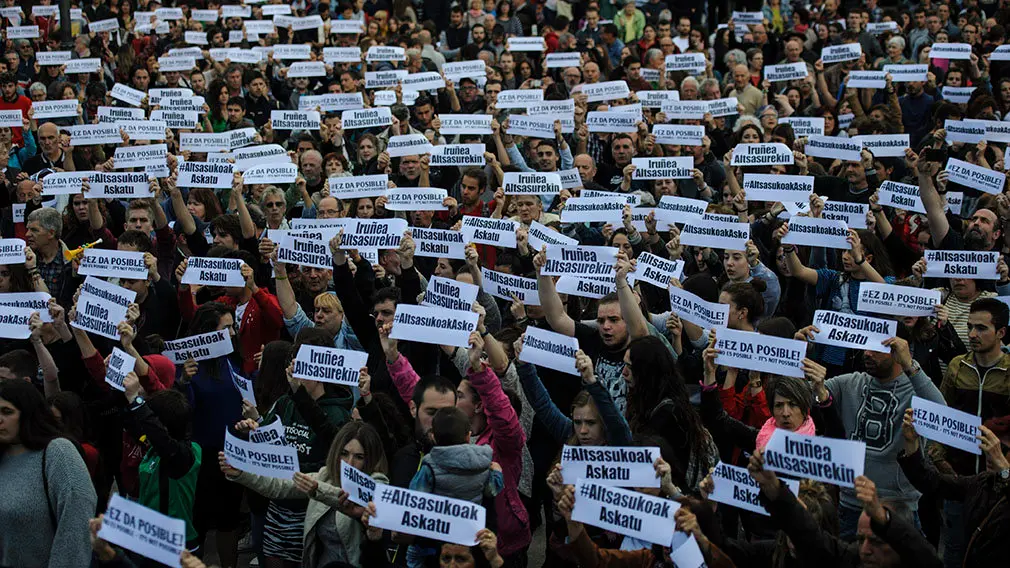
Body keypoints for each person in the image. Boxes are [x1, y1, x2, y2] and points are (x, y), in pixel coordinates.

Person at [222, 421, 390, 568]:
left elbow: (355, 500)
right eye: (344, 454)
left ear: (371, 459)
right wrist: (241, 473)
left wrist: (318, 490)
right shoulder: (325, 475)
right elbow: (279, 486)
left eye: (359, 457)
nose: (349, 463)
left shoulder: (378, 481)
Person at [0, 380, 97, 567]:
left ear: (28, 414)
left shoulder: (57, 452)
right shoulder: (3, 456)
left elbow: (77, 522)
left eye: (7, 412)